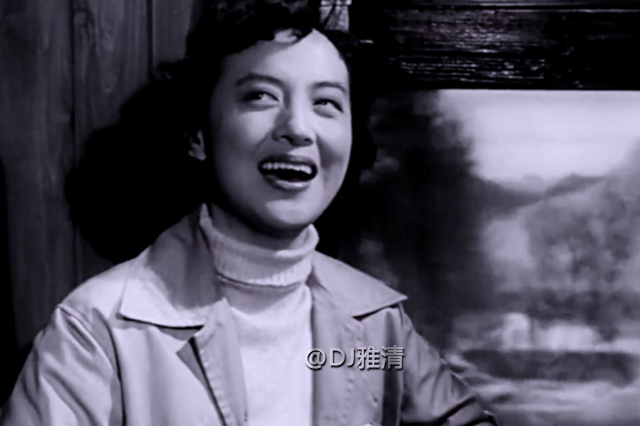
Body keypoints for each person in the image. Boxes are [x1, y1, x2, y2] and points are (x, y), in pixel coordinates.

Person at [0, 2, 498, 425]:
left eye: (327, 103)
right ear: (198, 136)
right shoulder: (98, 332)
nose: (298, 128)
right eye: (261, 96)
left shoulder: (375, 325)